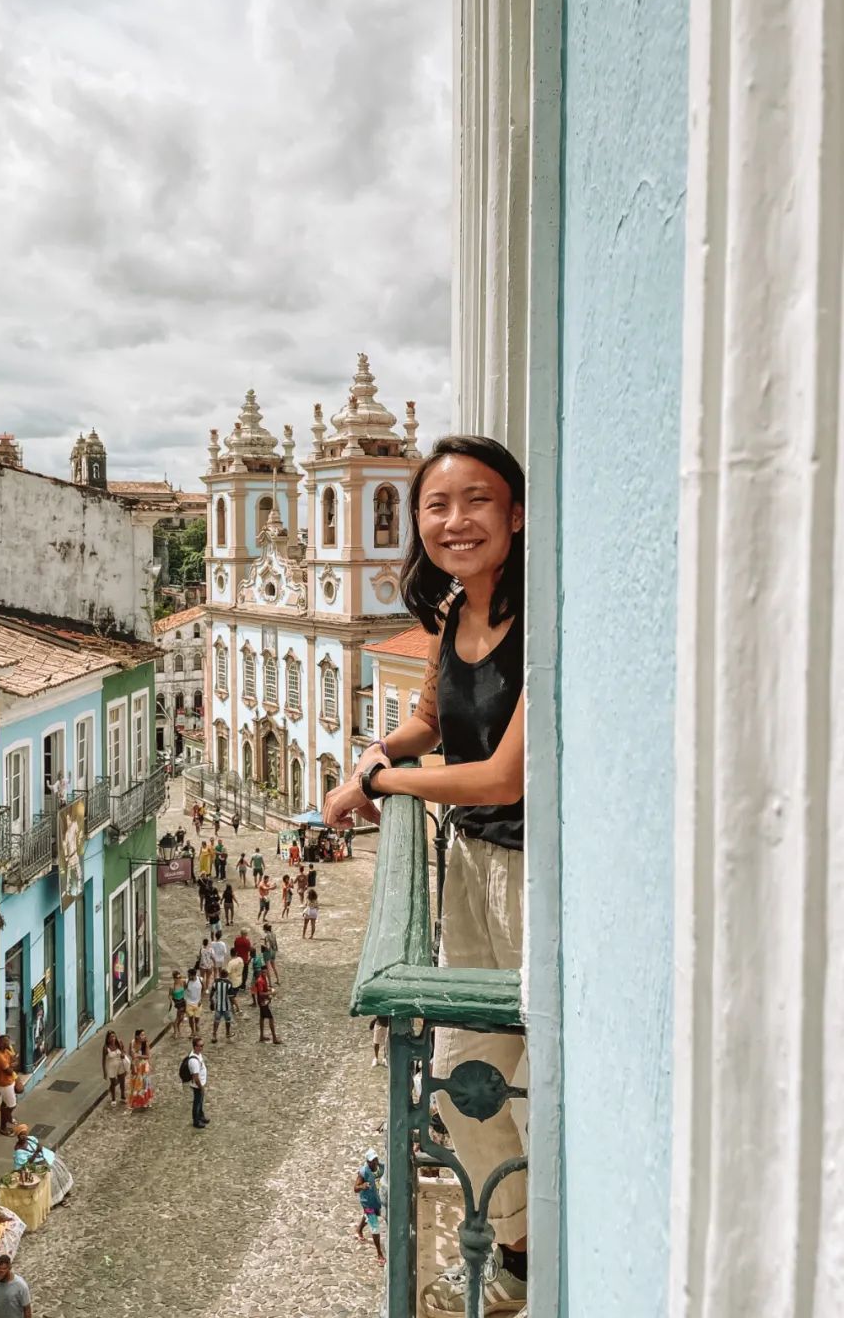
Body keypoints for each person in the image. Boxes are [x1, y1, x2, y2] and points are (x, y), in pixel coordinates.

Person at [322, 435, 529, 1307]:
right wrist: (368, 758)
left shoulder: (543, 615)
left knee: (537, 1067)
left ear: (516, 514)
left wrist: (387, 780)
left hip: (535, 870)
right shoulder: (452, 612)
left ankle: (558, 1235)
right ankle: (516, 1240)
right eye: (437, 506)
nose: (456, 521)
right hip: (471, 863)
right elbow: (426, 717)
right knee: (461, 1062)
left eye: (477, 501)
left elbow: (506, 774)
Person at [12, 1125, 74, 1205]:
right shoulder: (19, 1151)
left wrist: (39, 1147)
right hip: (36, 1166)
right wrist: (36, 1153)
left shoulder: (31, 1139)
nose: (24, 1137)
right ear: (18, 1137)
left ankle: (65, 1191)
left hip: (45, 1157)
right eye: (22, 1135)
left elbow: (38, 1144)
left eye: (25, 1134)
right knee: (51, 1180)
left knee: (59, 1171)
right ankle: (57, 1199)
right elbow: (24, 1166)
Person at [354, 1149, 386, 1265]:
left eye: (376, 1159)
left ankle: (359, 1230)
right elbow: (355, 1188)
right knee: (374, 1225)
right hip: (367, 1202)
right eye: (372, 1161)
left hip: (376, 1200)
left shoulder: (381, 1168)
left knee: (370, 1215)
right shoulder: (363, 1172)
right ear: (368, 1161)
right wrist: (363, 1186)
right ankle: (379, 1254)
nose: (375, 1162)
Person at [0, 1035, 20, 1136]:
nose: (8, 1044)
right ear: (1, 1043)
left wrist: (13, 1063)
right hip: (5, 1084)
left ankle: (4, 1123)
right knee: (11, 1106)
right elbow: (9, 1070)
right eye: (6, 1042)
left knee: (5, 1105)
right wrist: (12, 1065)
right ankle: (5, 1123)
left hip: (9, 1081)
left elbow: (15, 1059)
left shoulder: (7, 1051)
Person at [254, 966, 282, 1044]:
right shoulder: (260, 980)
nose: (264, 974)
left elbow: (264, 989)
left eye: (265, 972)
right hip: (263, 1003)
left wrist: (269, 990)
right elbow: (261, 993)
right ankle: (274, 1038)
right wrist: (271, 993)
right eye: (263, 972)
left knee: (262, 1018)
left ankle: (261, 1036)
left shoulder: (263, 979)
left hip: (263, 1002)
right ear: (261, 972)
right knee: (271, 1018)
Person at [102, 1030, 130, 1106]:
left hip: (120, 1064)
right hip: (111, 1066)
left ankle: (123, 1096)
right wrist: (104, 1072)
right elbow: (103, 1060)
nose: (113, 1038)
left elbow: (124, 1051)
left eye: (114, 1036)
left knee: (122, 1082)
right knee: (113, 1083)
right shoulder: (106, 1048)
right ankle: (113, 1098)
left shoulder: (119, 1042)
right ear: (108, 1038)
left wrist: (123, 1054)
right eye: (111, 1037)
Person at [128, 1030, 154, 1110]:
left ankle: (145, 1101)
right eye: (142, 1035)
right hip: (136, 1065)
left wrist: (138, 1056)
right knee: (135, 1083)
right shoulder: (132, 1043)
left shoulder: (145, 1044)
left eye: (144, 1035)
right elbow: (130, 1053)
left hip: (143, 1066)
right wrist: (133, 1058)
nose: (144, 1036)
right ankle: (135, 1101)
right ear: (137, 1036)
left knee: (144, 1084)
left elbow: (147, 1056)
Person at [187, 1037, 209, 1128]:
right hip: (197, 1085)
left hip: (201, 1083)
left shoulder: (198, 1054)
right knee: (197, 1102)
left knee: (200, 1101)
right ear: (195, 1047)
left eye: (202, 1046)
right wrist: (201, 1087)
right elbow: (196, 1077)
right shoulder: (193, 1061)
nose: (201, 1048)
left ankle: (201, 1116)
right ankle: (196, 1121)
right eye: (200, 1046)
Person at [210, 968, 234, 1043]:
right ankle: (227, 1033)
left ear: (220, 974)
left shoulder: (215, 982)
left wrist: (211, 1001)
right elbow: (231, 997)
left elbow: (212, 993)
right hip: (226, 1006)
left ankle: (214, 1035)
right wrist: (232, 1006)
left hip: (218, 1005)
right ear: (226, 975)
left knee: (216, 1020)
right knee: (228, 1020)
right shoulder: (229, 983)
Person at [184, 967, 203, 1038]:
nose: (188, 977)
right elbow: (185, 990)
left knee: (197, 1019)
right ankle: (192, 1031)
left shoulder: (200, 980)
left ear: (193, 975)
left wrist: (201, 999)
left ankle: (197, 1029)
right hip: (189, 1003)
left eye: (189, 975)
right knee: (191, 1018)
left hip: (198, 1003)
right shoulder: (186, 981)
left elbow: (203, 989)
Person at [168, 970, 187, 1038]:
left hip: (182, 1002)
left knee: (181, 1018)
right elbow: (169, 995)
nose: (179, 979)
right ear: (174, 978)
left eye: (180, 977)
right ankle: (175, 1031)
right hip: (175, 1003)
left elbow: (186, 989)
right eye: (177, 978)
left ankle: (178, 1027)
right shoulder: (172, 987)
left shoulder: (183, 982)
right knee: (175, 1019)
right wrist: (171, 1001)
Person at [226, 950, 245, 1015]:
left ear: (230, 954)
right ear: (236, 953)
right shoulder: (240, 959)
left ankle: (238, 1008)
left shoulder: (231, 963)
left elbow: (227, 972)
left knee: (231, 997)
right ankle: (232, 1008)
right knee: (232, 996)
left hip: (233, 982)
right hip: (239, 980)